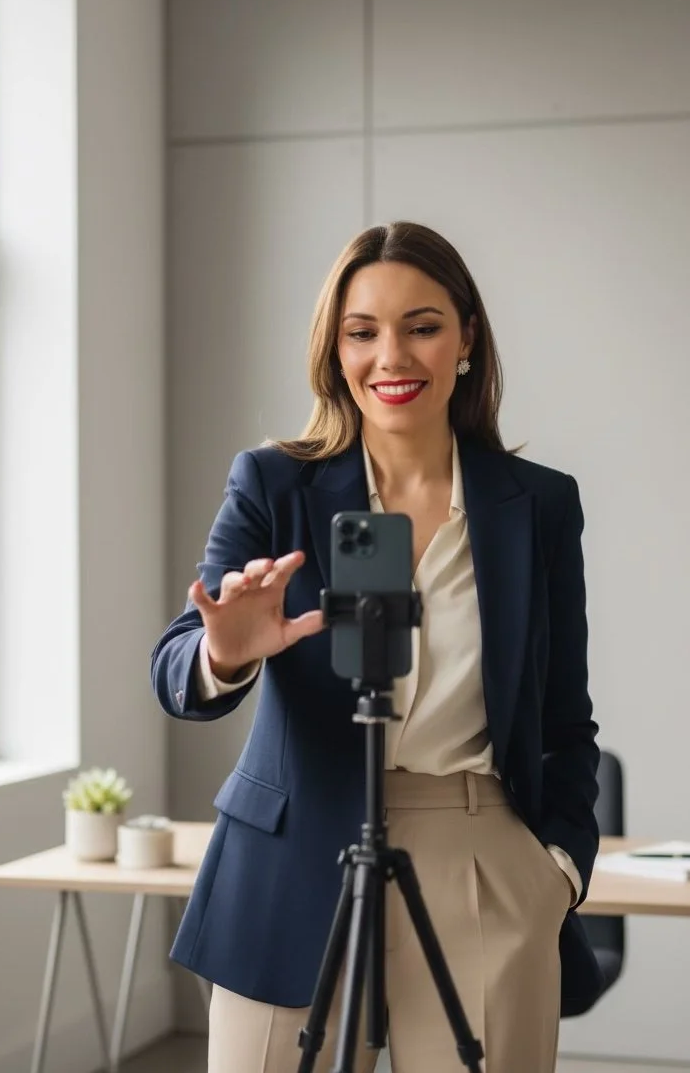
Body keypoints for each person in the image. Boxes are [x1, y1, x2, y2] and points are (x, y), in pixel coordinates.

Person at [150, 221, 602, 1073]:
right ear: (336, 350)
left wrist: (558, 872)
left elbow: (563, 717)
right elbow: (176, 668)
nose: (391, 356)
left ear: (467, 338)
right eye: (363, 332)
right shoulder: (274, 483)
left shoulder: (537, 506)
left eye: (422, 326)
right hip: (289, 859)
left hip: (478, 855)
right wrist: (228, 654)